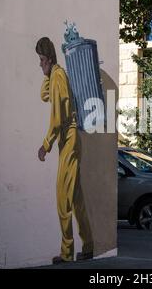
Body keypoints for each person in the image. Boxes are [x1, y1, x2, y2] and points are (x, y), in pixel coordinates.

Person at [35, 37, 93, 263]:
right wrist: (47, 74)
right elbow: (44, 96)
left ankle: (67, 253)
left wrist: (45, 145)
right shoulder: (56, 75)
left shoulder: (58, 75)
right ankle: (88, 245)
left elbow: (58, 116)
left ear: (49, 58)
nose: (39, 64)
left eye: (41, 60)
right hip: (70, 141)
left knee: (62, 199)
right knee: (76, 198)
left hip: (68, 140)